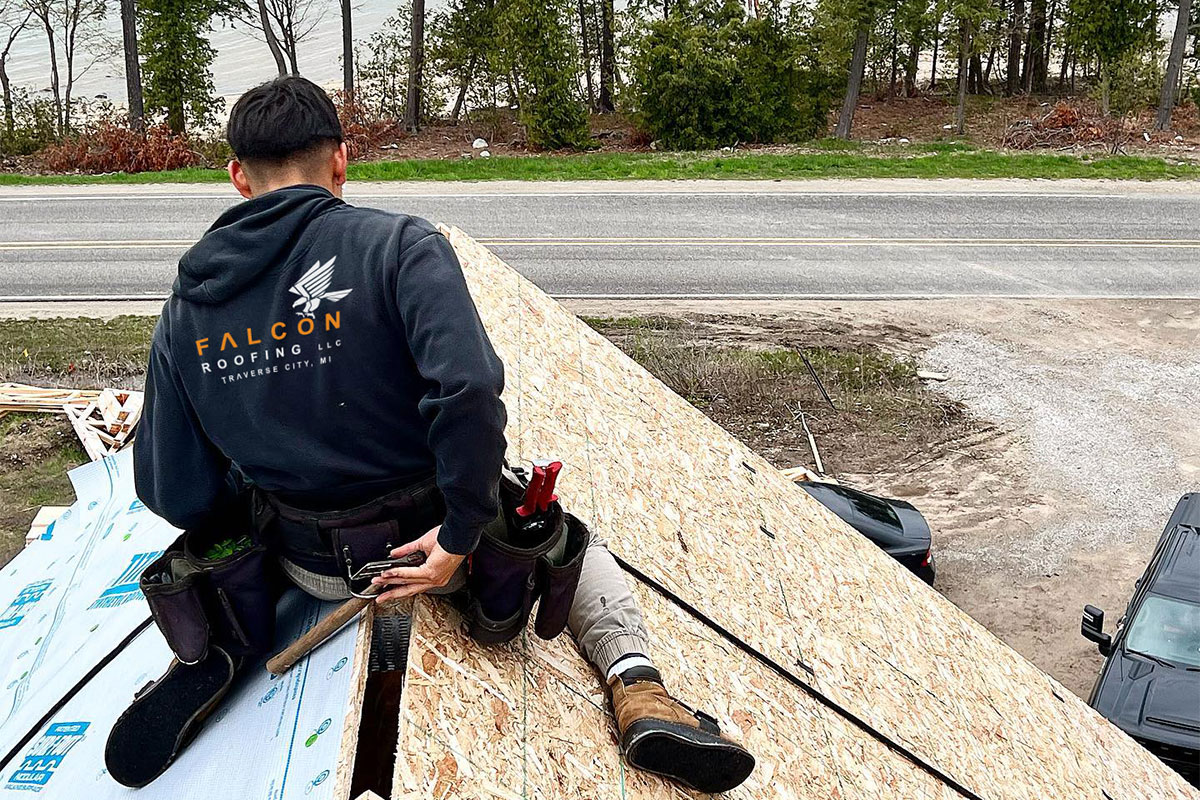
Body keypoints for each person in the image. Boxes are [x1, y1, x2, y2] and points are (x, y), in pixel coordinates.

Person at [133, 76, 754, 794]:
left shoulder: (187, 306)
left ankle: (228, 632)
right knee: (566, 536)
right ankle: (638, 687)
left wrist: (259, 488)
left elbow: (169, 485)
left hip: (308, 565)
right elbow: (467, 390)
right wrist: (460, 531)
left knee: (247, 514)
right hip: (437, 552)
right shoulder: (396, 246)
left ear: (238, 176)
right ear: (340, 159)